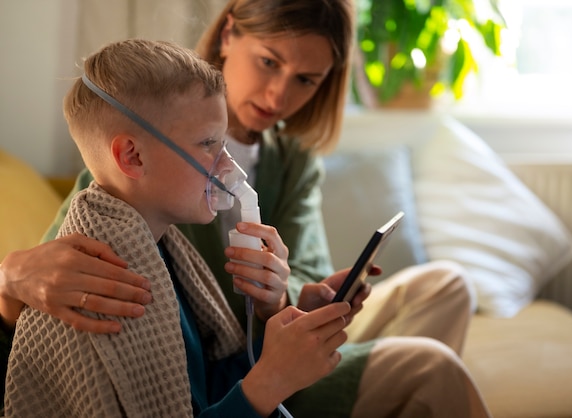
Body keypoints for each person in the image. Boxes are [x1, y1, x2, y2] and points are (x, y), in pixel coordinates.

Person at [0, 1, 490, 416]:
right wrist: (9, 280)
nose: (280, 95)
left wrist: (284, 302)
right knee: (432, 366)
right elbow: (57, 283)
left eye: (307, 80)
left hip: (256, 351)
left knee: (448, 284)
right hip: (253, 365)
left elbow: (277, 307)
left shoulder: (288, 162)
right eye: (270, 63)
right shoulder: (131, 203)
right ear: (231, 32)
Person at [5, 38, 356, 417]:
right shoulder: (103, 291)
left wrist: (277, 352)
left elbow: (193, 395)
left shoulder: (162, 254)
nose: (227, 167)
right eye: (208, 144)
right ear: (132, 156)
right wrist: (270, 381)